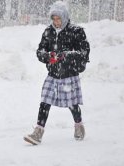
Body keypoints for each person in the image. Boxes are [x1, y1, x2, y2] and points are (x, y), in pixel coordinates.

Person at [24, 1, 90, 145]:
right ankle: (38, 132)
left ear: (65, 17)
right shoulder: (48, 32)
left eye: (58, 18)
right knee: (45, 102)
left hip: (69, 74)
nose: (56, 22)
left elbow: (84, 53)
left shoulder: (76, 31)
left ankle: (79, 125)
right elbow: (40, 51)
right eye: (53, 19)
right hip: (53, 74)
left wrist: (65, 55)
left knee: (72, 104)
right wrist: (48, 56)